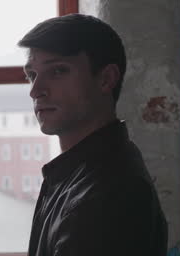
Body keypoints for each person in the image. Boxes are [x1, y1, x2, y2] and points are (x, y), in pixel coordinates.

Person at [18, 14, 168, 256]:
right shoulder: (80, 173)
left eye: (57, 71)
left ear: (106, 79)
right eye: (32, 75)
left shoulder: (109, 196)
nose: (35, 91)